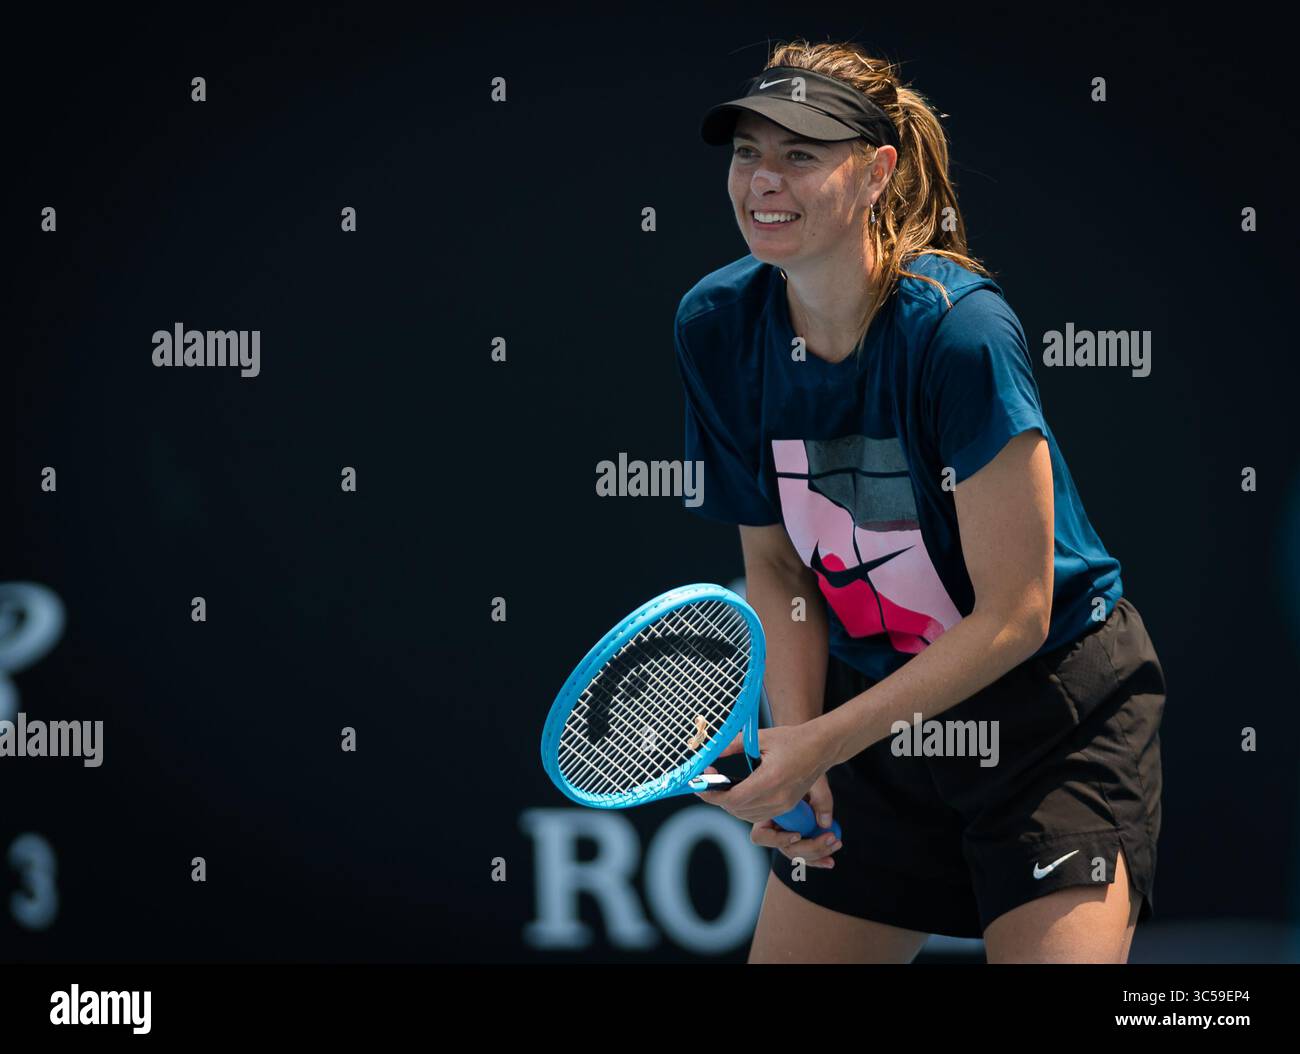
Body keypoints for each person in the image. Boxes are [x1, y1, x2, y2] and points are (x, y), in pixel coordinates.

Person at [676, 40, 1166, 963]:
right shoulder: (716, 326)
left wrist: (819, 741)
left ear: (877, 173)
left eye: (801, 154)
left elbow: (1016, 615)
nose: (762, 180)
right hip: (875, 714)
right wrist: (798, 736)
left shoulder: (960, 333)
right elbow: (777, 566)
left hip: (1044, 716)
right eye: (748, 152)